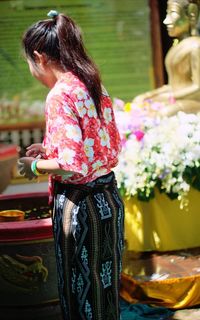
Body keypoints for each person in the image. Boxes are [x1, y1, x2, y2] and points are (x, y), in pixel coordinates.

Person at [18, 10, 124, 320]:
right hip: (109, 202)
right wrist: (49, 147)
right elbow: (103, 148)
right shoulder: (93, 84)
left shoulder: (59, 95)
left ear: (39, 57)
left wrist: (34, 167)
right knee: (104, 292)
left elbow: (71, 163)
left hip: (79, 209)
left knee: (80, 294)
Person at [134, 0, 200, 117]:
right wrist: (149, 95)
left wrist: (169, 97)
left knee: (163, 113)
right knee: (139, 105)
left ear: (191, 14)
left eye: (173, 13)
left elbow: (198, 87)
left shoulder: (196, 46)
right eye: (167, 13)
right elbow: (173, 86)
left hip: (193, 102)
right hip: (177, 98)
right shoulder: (177, 46)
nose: (166, 20)